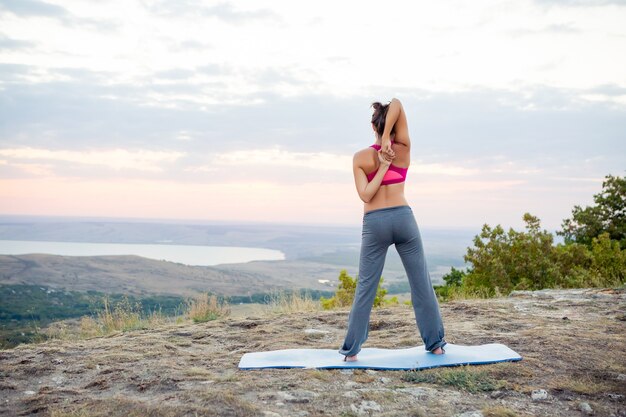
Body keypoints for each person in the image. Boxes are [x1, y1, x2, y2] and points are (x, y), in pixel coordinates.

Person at [339, 98, 447, 362]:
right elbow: (398, 102)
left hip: (375, 223)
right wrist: (387, 158)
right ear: (392, 125)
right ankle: (436, 345)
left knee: (365, 287)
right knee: (422, 284)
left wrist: (380, 155)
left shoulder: (361, 157)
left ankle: (351, 351)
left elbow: (366, 195)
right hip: (403, 219)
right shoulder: (403, 150)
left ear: (372, 126)